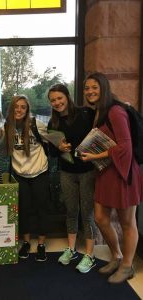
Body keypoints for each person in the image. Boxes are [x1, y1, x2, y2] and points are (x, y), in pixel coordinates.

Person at [81, 72, 143, 283]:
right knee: (100, 218)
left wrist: (94, 156)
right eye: (87, 88)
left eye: (94, 87)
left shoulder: (116, 111)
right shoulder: (100, 111)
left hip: (123, 173)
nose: (90, 91)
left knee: (127, 222)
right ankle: (116, 256)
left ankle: (127, 266)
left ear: (104, 88)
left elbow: (125, 146)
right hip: (106, 172)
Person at [47, 84, 97, 273]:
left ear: (67, 96)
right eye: (53, 100)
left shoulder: (86, 114)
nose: (57, 102)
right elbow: (52, 152)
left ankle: (90, 255)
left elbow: (98, 135)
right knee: (71, 211)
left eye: (60, 98)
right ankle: (72, 250)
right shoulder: (53, 123)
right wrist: (59, 148)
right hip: (67, 171)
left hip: (88, 171)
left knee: (87, 213)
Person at [4, 95, 50, 261]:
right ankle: (26, 242)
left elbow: (54, 138)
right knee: (23, 209)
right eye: (16, 106)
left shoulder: (36, 124)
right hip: (20, 174)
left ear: (27, 109)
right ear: (11, 109)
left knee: (41, 209)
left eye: (23, 107)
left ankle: (41, 244)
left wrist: (63, 144)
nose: (19, 110)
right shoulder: (7, 126)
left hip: (39, 172)